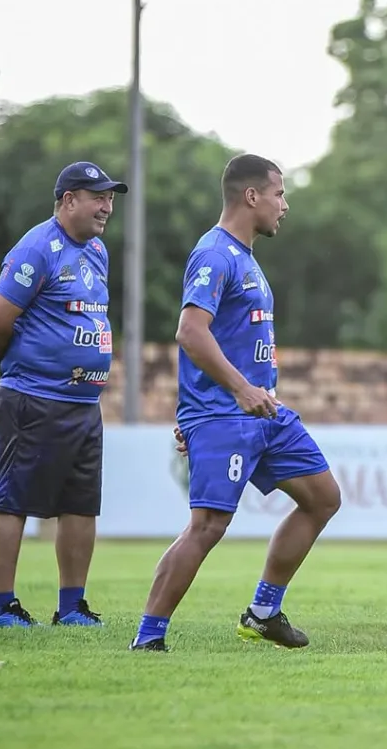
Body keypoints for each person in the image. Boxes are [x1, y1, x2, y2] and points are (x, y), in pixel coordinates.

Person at [129, 153, 342, 653]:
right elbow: (190, 332)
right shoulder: (214, 254)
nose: (284, 205)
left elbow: (235, 338)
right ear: (252, 196)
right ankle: (148, 638)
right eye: (279, 193)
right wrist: (232, 395)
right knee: (208, 526)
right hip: (228, 413)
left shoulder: (246, 258)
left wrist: (258, 390)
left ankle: (263, 613)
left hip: (266, 413)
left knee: (323, 498)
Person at [0, 160, 128, 628]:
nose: (106, 206)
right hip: (35, 398)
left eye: (110, 198)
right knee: (12, 499)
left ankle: (72, 606)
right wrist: (7, 362)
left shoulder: (97, 251)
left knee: (80, 504)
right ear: (68, 201)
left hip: (84, 402)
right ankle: (2, 607)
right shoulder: (38, 247)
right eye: (97, 196)